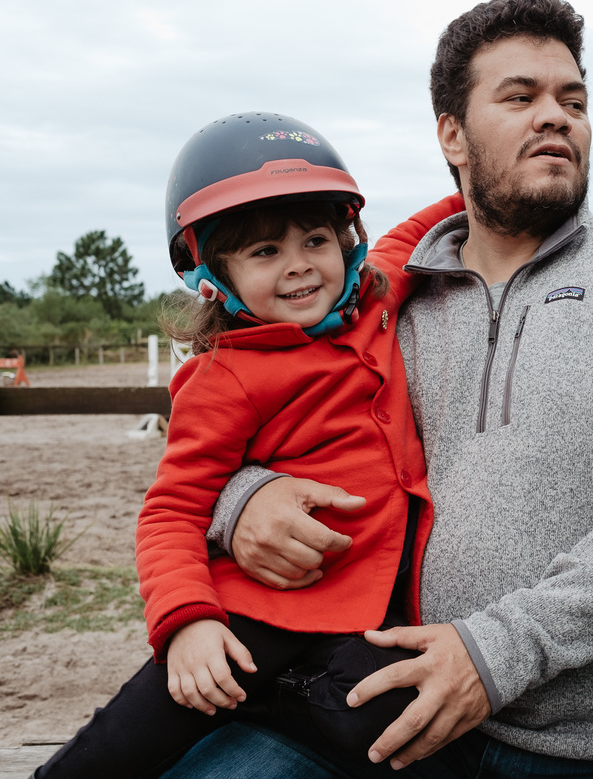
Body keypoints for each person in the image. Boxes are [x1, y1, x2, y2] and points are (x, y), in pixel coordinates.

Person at [162, 0, 593, 779]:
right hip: (381, 703)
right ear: (451, 135)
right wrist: (241, 503)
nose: (556, 116)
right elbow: (223, 425)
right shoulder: (378, 298)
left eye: (573, 100)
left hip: (590, 741)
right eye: (520, 97)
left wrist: (496, 652)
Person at [35, 112, 465, 777]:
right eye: (264, 253)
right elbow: (173, 511)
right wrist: (187, 623)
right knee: (131, 736)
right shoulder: (226, 376)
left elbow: (426, 223)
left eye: (315, 240)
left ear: (347, 241)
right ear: (215, 278)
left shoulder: (375, 298)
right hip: (255, 608)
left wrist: (482, 180)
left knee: (396, 733)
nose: (298, 266)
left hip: (361, 610)